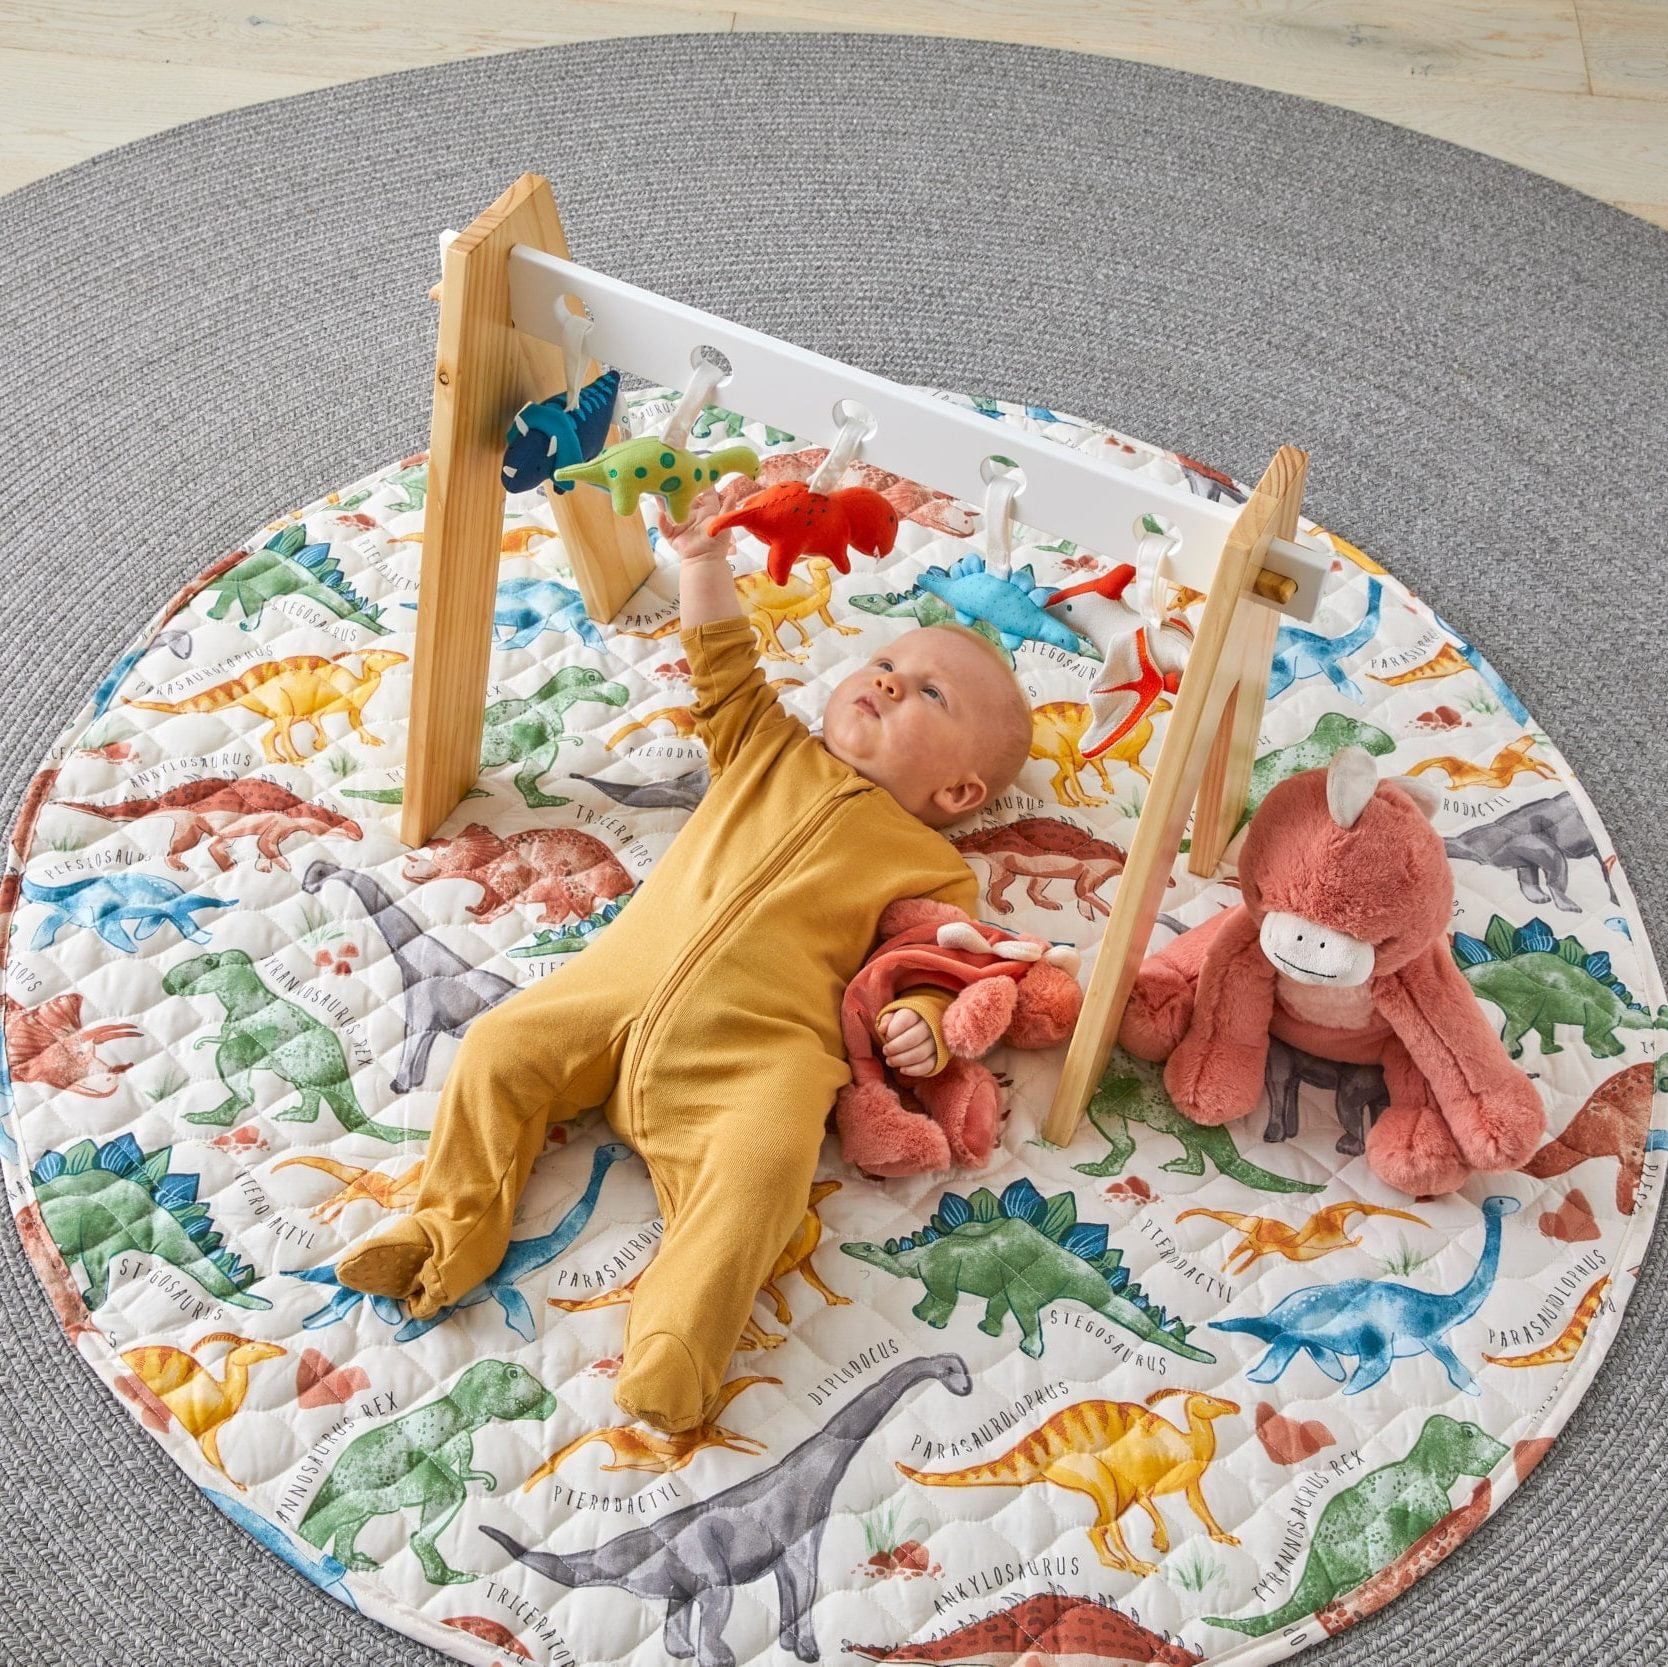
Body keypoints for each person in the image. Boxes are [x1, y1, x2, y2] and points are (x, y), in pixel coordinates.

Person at [337, 486, 1035, 1433]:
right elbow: (722, 664)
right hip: (612, 988)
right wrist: (703, 562)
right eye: (884, 663)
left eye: (929, 693)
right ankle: (443, 1231)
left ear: (958, 791)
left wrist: (921, 1020)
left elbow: (931, 962)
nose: (887, 681)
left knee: (766, 1169)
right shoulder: (768, 747)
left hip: (755, 1053)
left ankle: (680, 1339)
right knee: (497, 1049)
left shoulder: (934, 866)